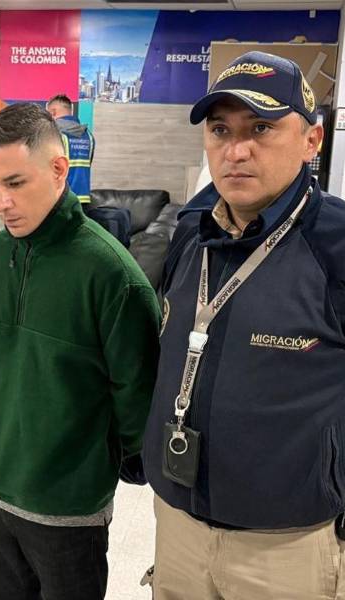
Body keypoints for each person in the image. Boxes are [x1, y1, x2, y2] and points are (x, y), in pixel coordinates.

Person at [142, 51, 344, 599]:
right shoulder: (191, 231)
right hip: (178, 526)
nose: (235, 150)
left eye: (260, 128)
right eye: (220, 130)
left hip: (287, 545)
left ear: (312, 140)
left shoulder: (336, 244)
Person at [0, 102, 161, 600]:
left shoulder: (112, 274)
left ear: (58, 170)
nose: (1, 202)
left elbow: (137, 397)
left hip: (67, 509)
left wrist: (103, 464)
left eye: (14, 183)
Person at [46, 93, 95, 205]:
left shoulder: (54, 134)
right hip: (83, 199)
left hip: (61, 199)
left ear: (52, 112)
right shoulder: (88, 136)